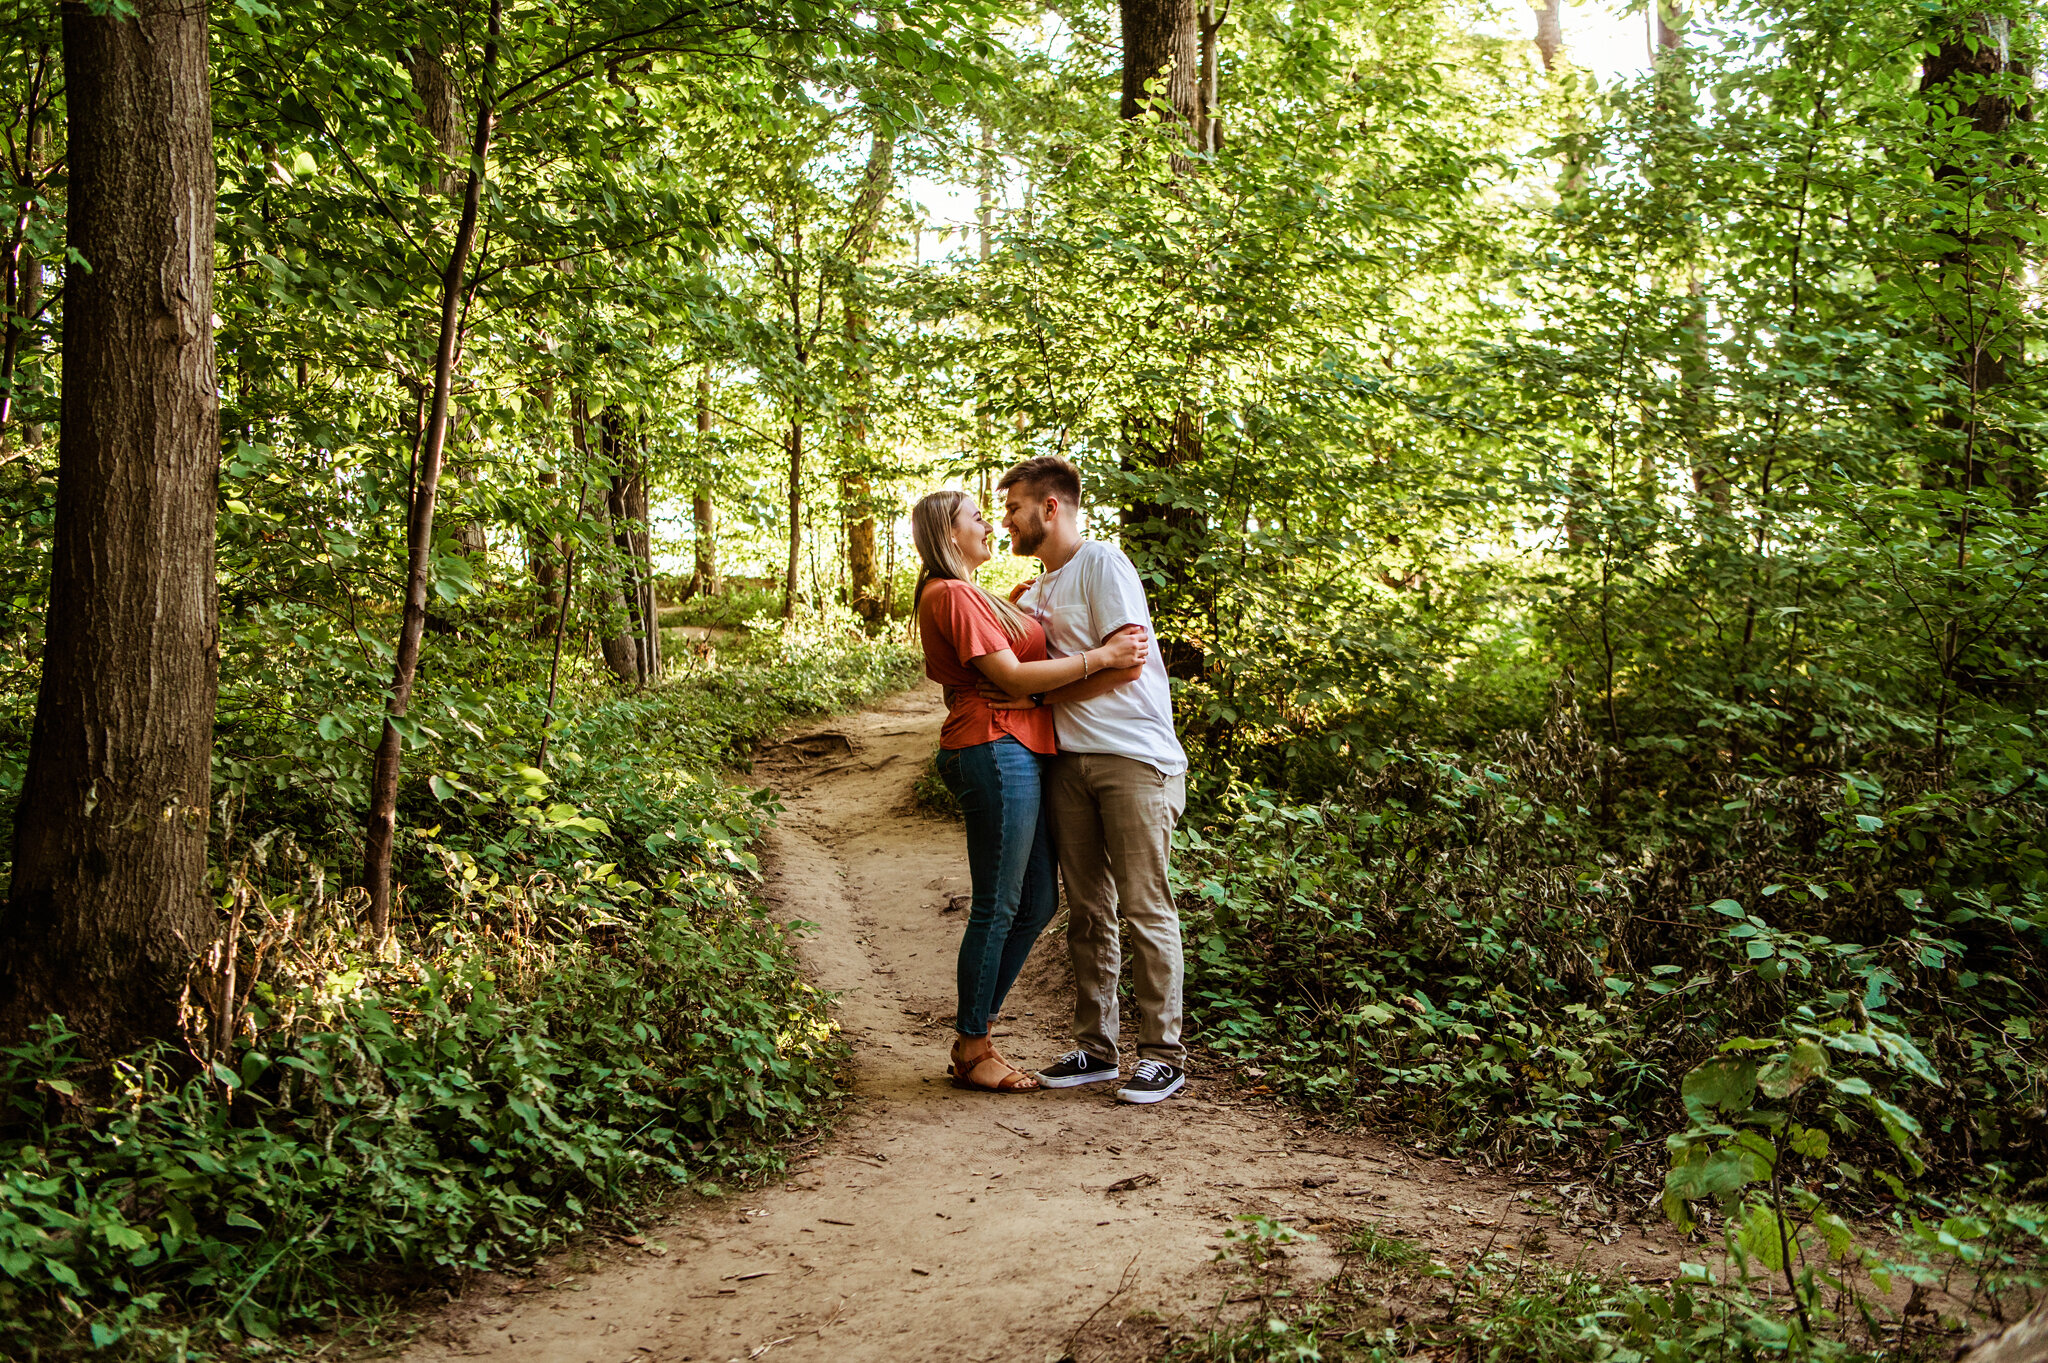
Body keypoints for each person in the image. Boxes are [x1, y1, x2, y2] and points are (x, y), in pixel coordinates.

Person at [910, 490, 1150, 1093]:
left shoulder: (973, 596)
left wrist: (1018, 611)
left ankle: (977, 1030)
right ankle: (974, 1045)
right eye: (975, 518)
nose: (989, 523)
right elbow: (1011, 679)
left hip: (1016, 750)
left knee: (1039, 900)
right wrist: (1104, 655)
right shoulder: (953, 593)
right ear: (948, 533)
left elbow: (977, 670)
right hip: (993, 751)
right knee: (998, 904)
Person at [983, 456, 1192, 1105]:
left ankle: (1163, 1053)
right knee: (1089, 911)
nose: (1006, 518)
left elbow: (1127, 661)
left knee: (1144, 906)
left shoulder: (1103, 562)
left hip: (1133, 757)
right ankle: (1096, 1048)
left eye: (1014, 505)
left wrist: (1049, 699)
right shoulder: (1035, 589)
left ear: (1050, 507)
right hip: (1069, 762)